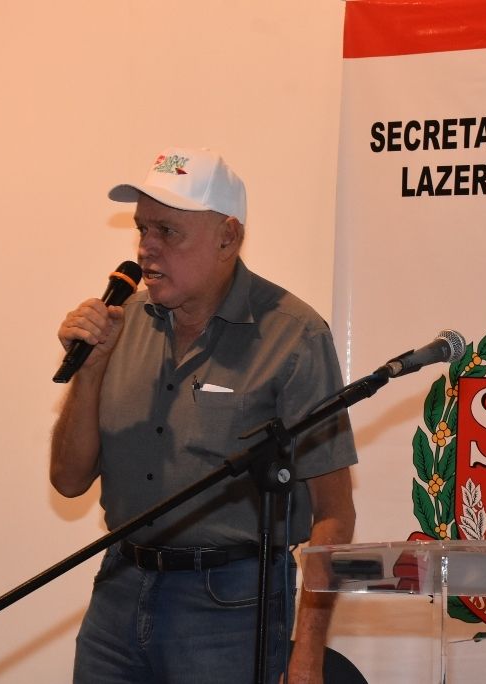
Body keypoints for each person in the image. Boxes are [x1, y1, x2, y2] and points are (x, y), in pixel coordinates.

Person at [50, 147, 357, 683]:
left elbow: (334, 512)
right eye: (142, 229)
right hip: (119, 589)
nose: (146, 248)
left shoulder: (293, 337)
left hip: (230, 605)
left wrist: (308, 653)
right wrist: (90, 370)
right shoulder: (120, 324)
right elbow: (68, 481)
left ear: (227, 238)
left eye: (168, 231)